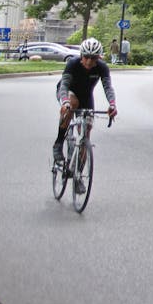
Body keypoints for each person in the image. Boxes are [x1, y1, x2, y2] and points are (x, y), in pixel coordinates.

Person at [52, 38, 117, 190]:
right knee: (72, 105)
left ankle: (78, 176)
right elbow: (64, 85)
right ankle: (59, 142)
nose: (88, 61)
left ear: (98, 58)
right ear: (81, 55)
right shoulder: (73, 64)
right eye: (86, 57)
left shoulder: (102, 68)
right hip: (68, 94)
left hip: (86, 97)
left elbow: (108, 87)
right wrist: (65, 102)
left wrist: (112, 104)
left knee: (85, 134)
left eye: (93, 58)